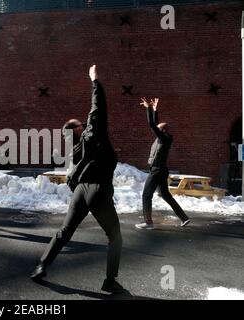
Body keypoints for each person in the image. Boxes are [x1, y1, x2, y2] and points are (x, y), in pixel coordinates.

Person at [30, 65, 124, 294]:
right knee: (115, 237)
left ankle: (42, 265)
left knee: (64, 232)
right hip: (98, 190)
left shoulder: (76, 148)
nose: (85, 122)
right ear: (80, 129)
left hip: (81, 191)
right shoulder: (92, 134)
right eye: (82, 123)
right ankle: (110, 281)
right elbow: (98, 107)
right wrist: (95, 80)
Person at [135, 98, 190, 230]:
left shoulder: (164, 138)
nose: (155, 133)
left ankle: (148, 222)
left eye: (158, 131)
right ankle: (184, 217)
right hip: (161, 170)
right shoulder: (165, 138)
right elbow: (156, 124)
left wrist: (148, 108)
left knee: (146, 195)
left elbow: (153, 125)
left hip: (157, 170)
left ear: (162, 132)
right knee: (165, 195)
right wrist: (155, 109)